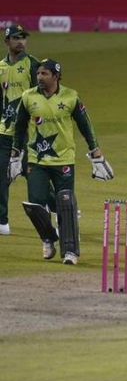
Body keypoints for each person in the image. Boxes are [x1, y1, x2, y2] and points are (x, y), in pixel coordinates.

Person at [9, 59, 113, 265]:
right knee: (34, 204)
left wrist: (96, 152)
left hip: (64, 159)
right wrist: (15, 155)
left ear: (56, 76)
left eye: (45, 74)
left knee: (65, 203)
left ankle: (70, 251)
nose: (40, 77)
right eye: (38, 73)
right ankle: (48, 238)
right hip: (36, 160)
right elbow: (20, 127)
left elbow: (85, 125)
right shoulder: (28, 97)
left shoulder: (71, 97)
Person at [0, 23, 40, 236]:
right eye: (16, 38)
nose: (21, 42)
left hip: (27, 135)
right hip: (4, 133)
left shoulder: (33, 65)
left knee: (35, 177)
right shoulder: (1, 68)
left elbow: (39, 99)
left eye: (23, 38)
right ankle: (1, 222)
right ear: (7, 42)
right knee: (1, 177)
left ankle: (61, 209)